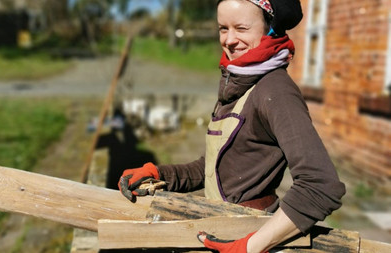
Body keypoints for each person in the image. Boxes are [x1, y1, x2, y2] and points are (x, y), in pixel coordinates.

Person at [118, 0, 346, 252]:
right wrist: (158, 174)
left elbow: (321, 185)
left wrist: (250, 246)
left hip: (251, 234)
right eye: (223, 28)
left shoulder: (275, 91)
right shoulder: (239, 81)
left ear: (270, 28)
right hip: (224, 228)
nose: (229, 40)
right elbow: (214, 169)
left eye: (241, 28)